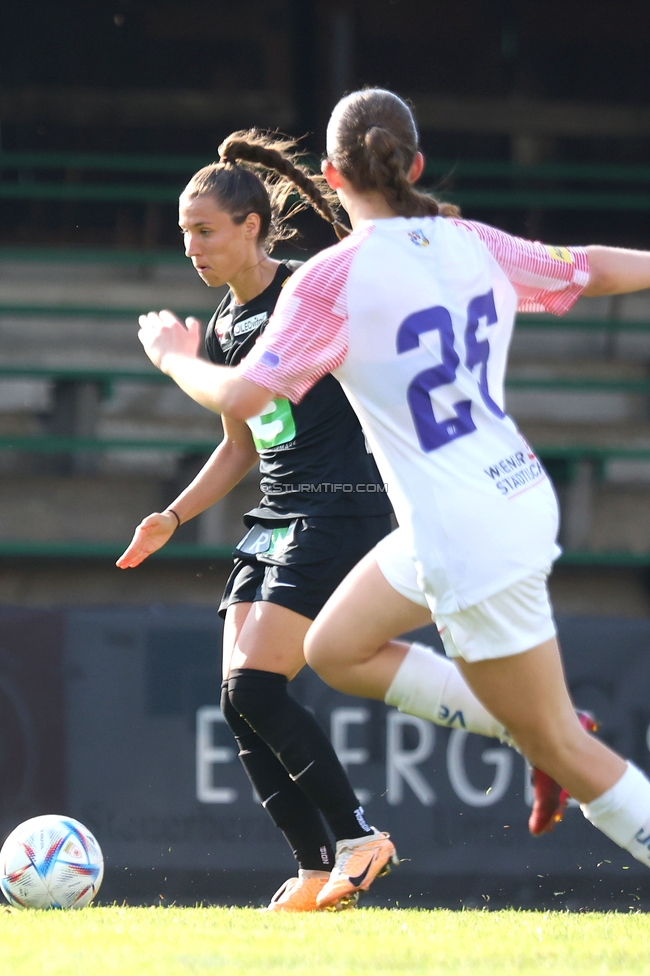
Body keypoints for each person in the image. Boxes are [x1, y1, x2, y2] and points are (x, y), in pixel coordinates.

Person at [132, 115, 606, 910]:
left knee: (256, 689)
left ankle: (362, 837)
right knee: (236, 699)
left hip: (339, 512)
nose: (192, 246)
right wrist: (172, 518)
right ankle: (318, 864)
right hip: (274, 515)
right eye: (184, 233)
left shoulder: (312, 288)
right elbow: (241, 443)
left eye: (205, 230)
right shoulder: (221, 324)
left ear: (253, 227)